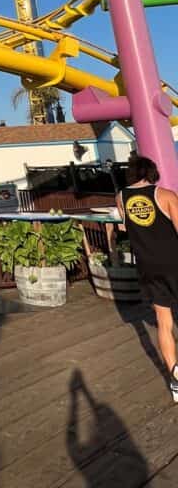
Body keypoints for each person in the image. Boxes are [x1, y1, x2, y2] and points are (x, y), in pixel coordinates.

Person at [117, 154, 178, 401]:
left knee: (163, 322)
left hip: (147, 266)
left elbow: (125, 227)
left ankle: (175, 382)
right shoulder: (166, 196)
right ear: (152, 173)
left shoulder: (121, 197)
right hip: (175, 263)